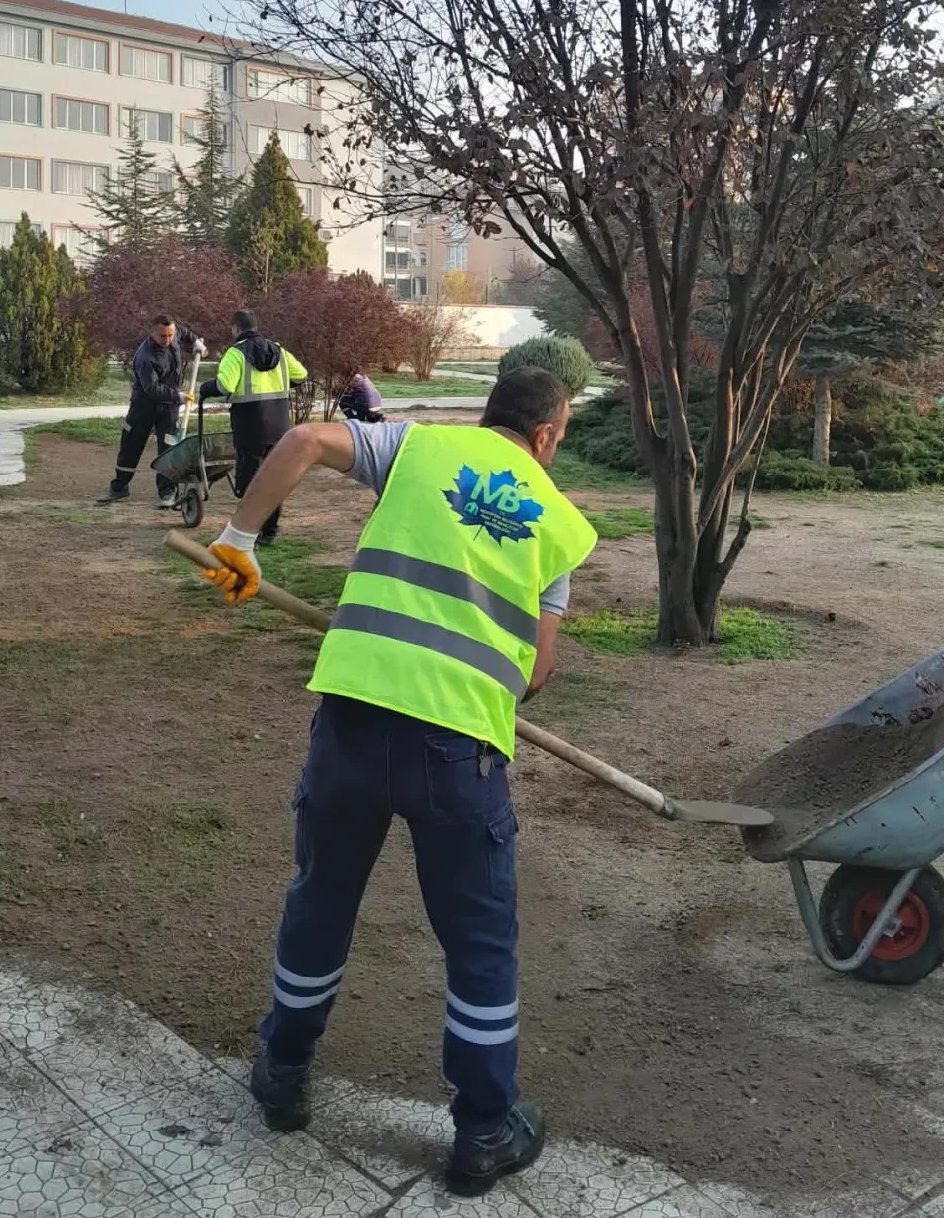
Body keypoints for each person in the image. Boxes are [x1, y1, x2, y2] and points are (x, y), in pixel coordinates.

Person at [199, 367, 597, 1194]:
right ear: (549, 434)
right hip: (460, 751)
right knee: (480, 943)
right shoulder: (558, 525)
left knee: (323, 897)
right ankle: (485, 1130)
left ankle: (283, 1070)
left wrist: (238, 538)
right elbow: (540, 669)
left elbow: (304, 439)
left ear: (489, 415)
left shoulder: (418, 445)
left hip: (354, 718)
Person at [198, 309, 308, 546]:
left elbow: (224, 385)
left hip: (249, 426)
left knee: (251, 480)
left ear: (236, 329)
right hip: (279, 426)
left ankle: (250, 531)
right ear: (255, 326)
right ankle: (271, 530)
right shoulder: (278, 350)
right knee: (275, 476)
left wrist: (206, 388)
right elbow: (301, 374)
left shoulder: (235, 354)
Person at [103, 315, 204, 505]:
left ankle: (167, 492)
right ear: (152, 333)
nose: (167, 340)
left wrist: (196, 341)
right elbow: (152, 389)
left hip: (168, 409)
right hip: (144, 406)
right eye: (162, 336)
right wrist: (178, 396)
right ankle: (119, 487)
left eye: (170, 335)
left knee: (168, 448)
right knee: (131, 445)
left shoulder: (174, 334)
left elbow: (184, 333)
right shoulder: (145, 356)